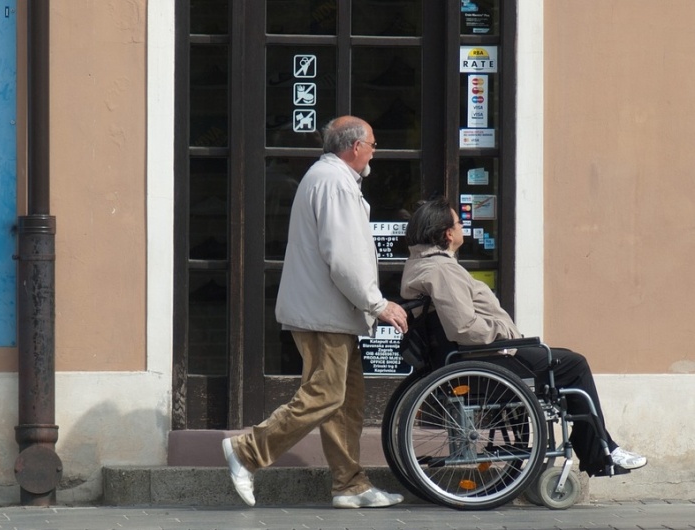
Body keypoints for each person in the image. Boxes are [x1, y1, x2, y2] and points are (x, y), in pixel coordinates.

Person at [222, 116, 409, 508]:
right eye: (373, 144)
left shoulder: (330, 179)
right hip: (324, 313)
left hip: (329, 312)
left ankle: (349, 484)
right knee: (325, 395)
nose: (375, 151)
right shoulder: (334, 182)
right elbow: (344, 258)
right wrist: (378, 303)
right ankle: (247, 451)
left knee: (346, 401)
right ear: (354, 147)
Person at [399, 197, 647, 477]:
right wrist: (505, 334)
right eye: (459, 222)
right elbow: (464, 328)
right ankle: (600, 449)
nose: (462, 227)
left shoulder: (422, 265)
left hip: (475, 357)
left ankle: (598, 445)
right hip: (484, 358)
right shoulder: (442, 270)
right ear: (447, 234)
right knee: (573, 365)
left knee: (562, 360)